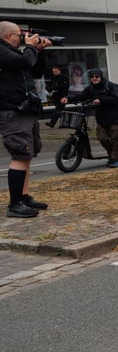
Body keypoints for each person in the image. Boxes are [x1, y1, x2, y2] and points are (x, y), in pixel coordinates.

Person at [0, 22, 51, 218]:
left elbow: (35, 71)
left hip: (25, 110)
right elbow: (24, 63)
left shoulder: (14, 53)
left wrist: (39, 51)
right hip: (11, 111)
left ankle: (23, 196)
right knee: (20, 153)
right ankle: (15, 204)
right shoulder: (2, 51)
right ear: (8, 35)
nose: (22, 37)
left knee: (27, 154)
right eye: (20, 34)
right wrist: (30, 47)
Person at [63, 68, 118, 168]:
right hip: (101, 118)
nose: (94, 78)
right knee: (102, 138)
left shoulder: (110, 86)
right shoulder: (91, 88)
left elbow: (116, 98)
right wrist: (68, 98)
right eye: (92, 77)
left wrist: (101, 100)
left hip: (114, 117)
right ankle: (113, 154)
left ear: (101, 77)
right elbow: (81, 96)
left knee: (115, 138)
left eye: (97, 76)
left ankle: (115, 159)